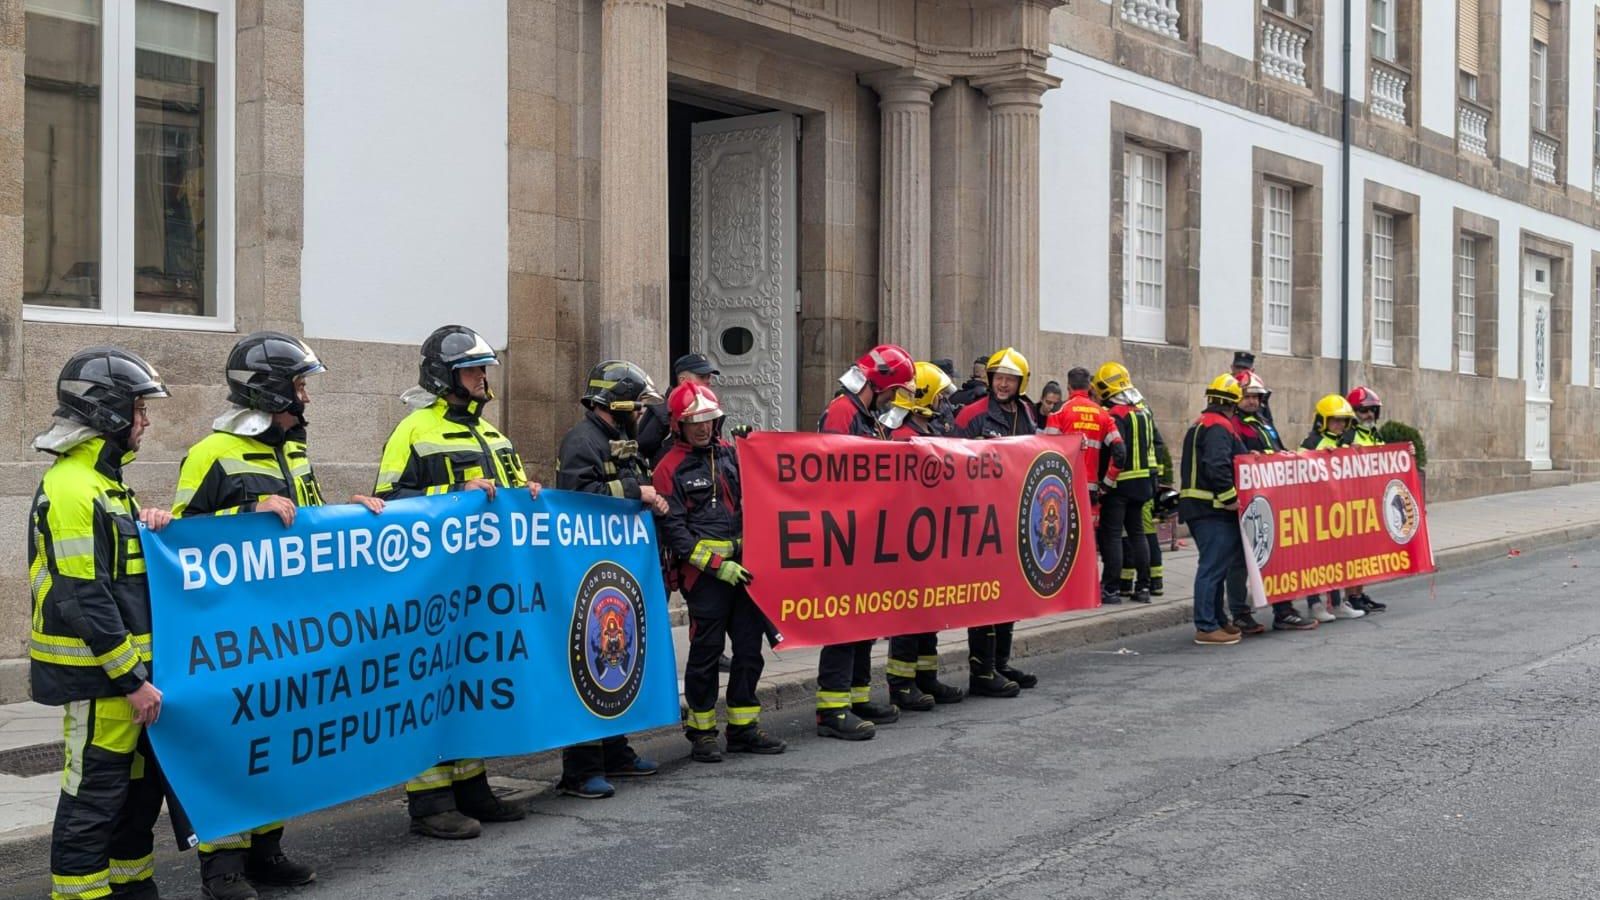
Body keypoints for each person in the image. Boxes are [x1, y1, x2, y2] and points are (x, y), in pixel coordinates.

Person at [172, 333, 350, 898]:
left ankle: (266, 851)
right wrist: (249, 510)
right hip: (234, 630)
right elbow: (180, 538)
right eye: (300, 385)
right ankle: (222, 867)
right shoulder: (210, 453)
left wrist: (357, 515)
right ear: (271, 390)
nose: (307, 398)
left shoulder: (294, 450)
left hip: (291, 627)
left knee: (279, 738)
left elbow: (313, 523)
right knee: (234, 744)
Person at [374, 325, 542, 839]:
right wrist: (457, 489)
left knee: (471, 687)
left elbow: (506, 497)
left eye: (483, 368)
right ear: (445, 376)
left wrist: (527, 492)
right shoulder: (413, 430)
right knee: (432, 689)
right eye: (473, 370)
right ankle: (429, 803)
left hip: (486, 588)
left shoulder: (495, 435)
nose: (482, 377)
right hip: (435, 590)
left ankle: (473, 788)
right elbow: (388, 505)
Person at [30, 347, 172, 900]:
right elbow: (85, 598)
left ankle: (131, 887)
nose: (145, 420)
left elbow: (123, 577)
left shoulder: (106, 485)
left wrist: (153, 525)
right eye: (139, 408)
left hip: (124, 677)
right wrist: (132, 681)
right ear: (108, 412)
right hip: (102, 678)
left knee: (134, 797)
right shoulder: (72, 487)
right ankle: (79, 893)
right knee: (94, 795)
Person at [654, 382, 787, 762]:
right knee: (706, 655)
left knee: (749, 652)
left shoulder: (730, 454)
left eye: (710, 419)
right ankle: (702, 732)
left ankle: (743, 728)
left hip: (743, 575)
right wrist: (716, 565)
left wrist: (753, 449)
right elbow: (675, 531)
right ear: (678, 425)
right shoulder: (668, 468)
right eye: (695, 421)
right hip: (704, 579)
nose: (703, 427)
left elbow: (763, 489)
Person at [555, 359, 666, 793]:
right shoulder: (582, 440)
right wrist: (640, 493)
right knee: (587, 664)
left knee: (616, 667)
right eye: (636, 405)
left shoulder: (621, 439)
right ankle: (580, 768)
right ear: (616, 402)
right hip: (588, 574)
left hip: (617, 573)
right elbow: (578, 497)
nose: (640, 414)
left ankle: (615, 750)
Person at [813, 345, 917, 739]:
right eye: (896, 389)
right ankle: (832, 709)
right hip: (846, 531)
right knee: (843, 621)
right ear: (882, 384)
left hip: (866, 531)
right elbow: (837, 468)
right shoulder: (843, 411)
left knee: (863, 619)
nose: (896, 397)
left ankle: (855, 696)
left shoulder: (863, 413)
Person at [883, 362, 968, 710]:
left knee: (928, 613)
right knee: (908, 615)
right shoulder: (903, 440)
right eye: (939, 397)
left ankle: (925, 676)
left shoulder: (924, 433)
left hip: (928, 538)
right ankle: (901, 684)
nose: (943, 404)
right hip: (906, 542)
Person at [955, 347, 1039, 695]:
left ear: (1021, 383)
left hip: (1014, 515)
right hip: (980, 519)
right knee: (985, 598)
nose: (1003, 384)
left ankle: (1001, 663)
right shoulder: (971, 415)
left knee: (1010, 595)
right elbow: (950, 461)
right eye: (998, 377)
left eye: (1010, 379)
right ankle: (983, 672)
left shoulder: (1027, 413)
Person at [1225, 376, 1318, 634]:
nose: (1253, 401)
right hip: (1245, 502)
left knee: (1279, 554)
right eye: (1248, 396)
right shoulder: (1232, 425)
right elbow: (1232, 457)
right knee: (1240, 560)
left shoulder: (1263, 422)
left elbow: (1278, 450)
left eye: (1257, 396)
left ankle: (1283, 611)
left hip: (1273, 498)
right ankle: (1240, 614)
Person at [1178, 375, 1248, 646]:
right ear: (1233, 404)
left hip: (1202, 507)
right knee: (1211, 567)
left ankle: (1218, 620)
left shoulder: (1202, 423)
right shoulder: (1220, 427)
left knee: (1217, 567)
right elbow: (1217, 465)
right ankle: (1206, 626)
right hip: (1211, 508)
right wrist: (1230, 498)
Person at [1092, 362, 1163, 605]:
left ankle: (1110, 589)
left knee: (1112, 536)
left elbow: (1114, 452)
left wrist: (1104, 483)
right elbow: (1154, 445)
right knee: (1137, 534)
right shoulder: (1143, 411)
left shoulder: (1113, 414)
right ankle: (1142, 588)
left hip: (1119, 483)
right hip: (1143, 482)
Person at [1300, 394, 1366, 623]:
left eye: (1342, 421)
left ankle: (1337, 603)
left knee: (1336, 558)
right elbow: (1298, 470)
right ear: (1322, 420)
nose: (1339, 425)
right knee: (1315, 560)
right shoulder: (1311, 443)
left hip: (1338, 510)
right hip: (1315, 510)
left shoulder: (1343, 444)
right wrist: (1319, 456)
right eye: (1334, 420)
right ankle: (1315, 604)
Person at [1342, 386, 1387, 613]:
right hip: (1352, 500)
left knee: (1365, 552)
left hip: (1372, 499)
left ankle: (1359, 592)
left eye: (1372, 411)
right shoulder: (1349, 435)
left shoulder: (1374, 434)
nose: (1369, 415)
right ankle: (1351, 595)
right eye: (1364, 411)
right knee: (1353, 552)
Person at [638, 352, 719, 464]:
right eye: (702, 377)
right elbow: (642, 448)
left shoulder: (711, 405)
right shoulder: (662, 410)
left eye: (709, 377)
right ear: (683, 380)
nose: (708, 381)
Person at [1231, 351, 1274, 425]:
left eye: (1245, 368)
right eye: (1238, 367)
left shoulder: (1257, 390)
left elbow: (1268, 422)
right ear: (1232, 368)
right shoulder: (1224, 388)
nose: (1241, 371)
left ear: (1252, 370)